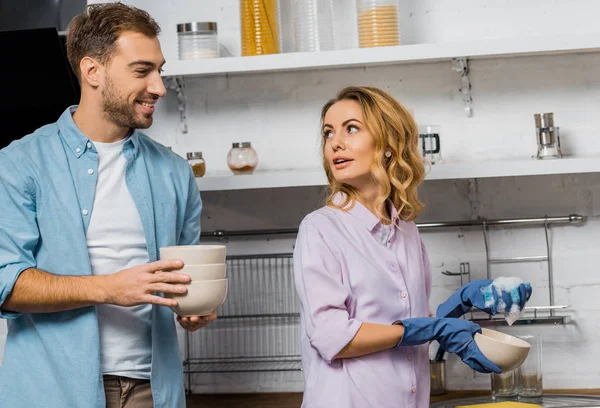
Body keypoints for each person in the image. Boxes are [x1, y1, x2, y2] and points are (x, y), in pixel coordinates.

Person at [0, 4, 213, 407]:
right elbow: (5, 284)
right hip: (54, 391)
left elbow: (184, 278)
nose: (159, 87)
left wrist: (191, 308)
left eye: (159, 70)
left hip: (153, 390)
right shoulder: (19, 165)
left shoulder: (174, 172)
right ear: (92, 71)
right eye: (141, 70)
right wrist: (111, 288)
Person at [293, 86, 531, 408]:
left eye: (351, 128)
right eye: (328, 133)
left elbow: (408, 321)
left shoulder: (406, 231)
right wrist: (435, 326)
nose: (335, 142)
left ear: (389, 144)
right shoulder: (320, 229)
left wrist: (458, 304)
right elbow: (331, 336)